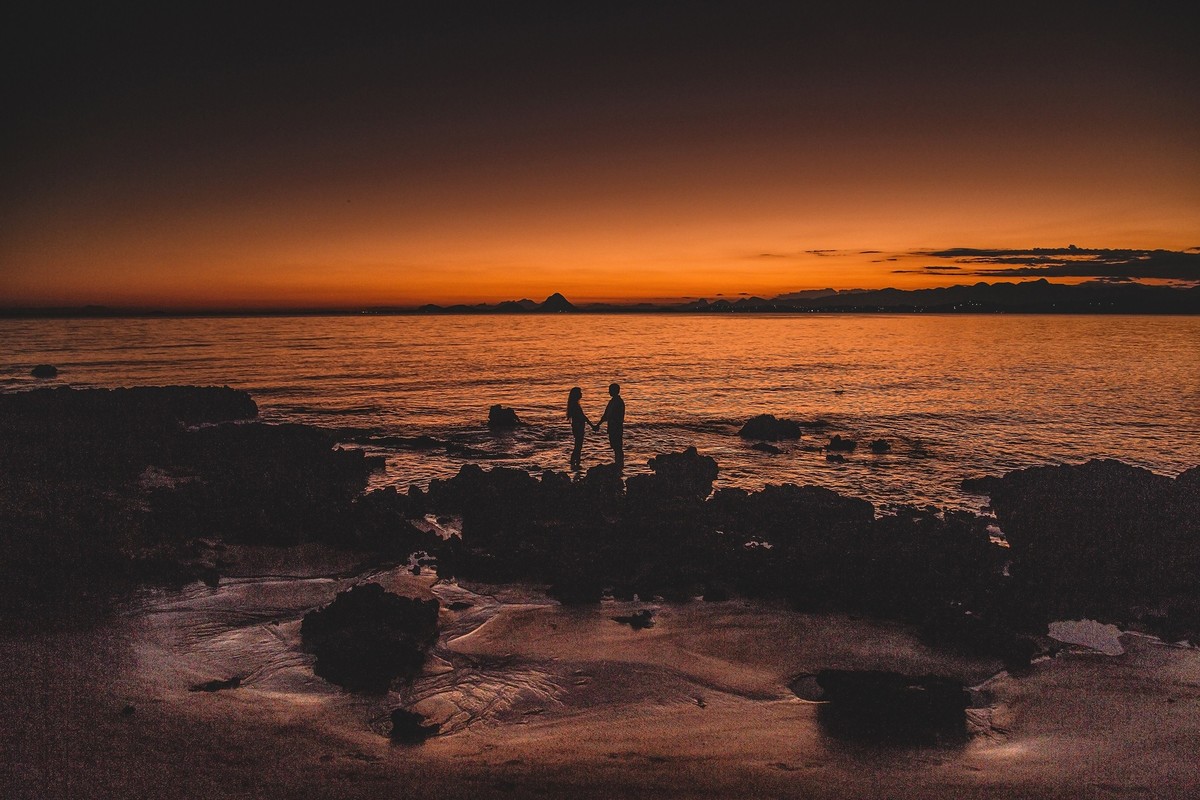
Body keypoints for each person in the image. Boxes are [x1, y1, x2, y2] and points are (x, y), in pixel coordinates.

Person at [593, 382, 625, 466]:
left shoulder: (618, 402)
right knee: (615, 447)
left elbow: (609, 416)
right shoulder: (612, 402)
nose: (609, 392)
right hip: (612, 427)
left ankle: (619, 464)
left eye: (610, 390)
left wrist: (598, 425)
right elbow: (605, 415)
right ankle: (618, 464)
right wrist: (598, 424)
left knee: (617, 447)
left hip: (616, 428)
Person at [565, 386, 592, 469]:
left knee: (578, 446)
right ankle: (574, 463)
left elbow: (583, 417)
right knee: (578, 446)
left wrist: (591, 425)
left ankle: (575, 463)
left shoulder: (575, 405)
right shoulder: (575, 406)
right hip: (578, 427)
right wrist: (592, 425)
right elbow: (583, 417)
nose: (581, 394)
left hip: (577, 427)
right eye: (580, 392)